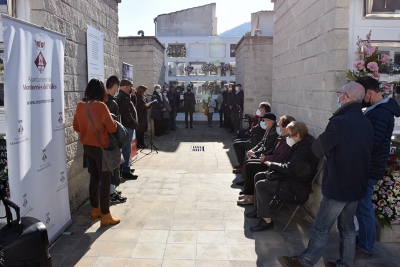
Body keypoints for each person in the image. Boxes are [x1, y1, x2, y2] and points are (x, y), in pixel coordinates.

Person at [281, 82, 374, 267]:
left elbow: (317, 148)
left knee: (321, 227)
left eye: (340, 94)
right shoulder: (366, 120)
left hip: (339, 186)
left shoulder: (340, 121)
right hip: (357, 185)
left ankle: (305, 261)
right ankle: (345, 264)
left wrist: (331, 150)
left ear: (346, 97)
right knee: (347, 229)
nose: (338, 97)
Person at [355, 76, 400, 259]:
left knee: (364, 207)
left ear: (369, 92)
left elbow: (371, 143)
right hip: (369, 167)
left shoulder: (381, 113)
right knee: (362, 207)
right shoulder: (377, 109)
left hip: (369, 168)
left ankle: (366, 247)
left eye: (361, 94)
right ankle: (365, 240)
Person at [248, 121, 318, 230]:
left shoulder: (304, 149)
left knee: (261, 185)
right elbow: (289, 165)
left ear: (298, 135)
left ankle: (267, 221)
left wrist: (272, 164)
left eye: (289, 135)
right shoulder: (300, 144)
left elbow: (290, 169)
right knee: (259, 176)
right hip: (291, 178)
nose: (287, 137)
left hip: (296, 186)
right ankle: (259, 211)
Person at [73, 78, 120, 227]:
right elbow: (112, 128)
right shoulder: (101, 106)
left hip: (87, 147)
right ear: (101, 91)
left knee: (94, 178)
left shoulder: (80, 105)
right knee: (105, 181)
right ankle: (106, 215)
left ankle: (95, 209)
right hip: (101, 148)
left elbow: (76, 127)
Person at [237, 115, 294, 206]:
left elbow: (280, 158)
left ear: (285, 128)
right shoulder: (281, 137)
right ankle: (249, 194)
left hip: (274, 165)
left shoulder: (287, 141)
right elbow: (269, 148)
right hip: (269, 159)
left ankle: (251, 197)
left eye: (280, 125)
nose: (278, 126)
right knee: (249, 162)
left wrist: (265, 158)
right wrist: (262, 155)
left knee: (250, 166)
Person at [104, 75, 127, 203]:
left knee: (110, 168)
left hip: (107, 141)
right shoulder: (111, 102)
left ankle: (112, 191)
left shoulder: (105, 100)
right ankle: (112, 193)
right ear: (114, 86)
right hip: (111, 141)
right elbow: (114, 125)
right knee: (112, 168)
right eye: (118, 86)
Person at [232, 105, 273, 174]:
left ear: (263, 109)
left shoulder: (266, 118)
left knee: (237, 144)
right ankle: (242, 163)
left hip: (255, 141)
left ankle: (242, 166)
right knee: (237, 141)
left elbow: (256, 129)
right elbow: (253, 128)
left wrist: (253, 132)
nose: (258, 109)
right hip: (253, 138)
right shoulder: (260, 117)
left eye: (259, 108)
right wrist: (252, 131)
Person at [117, 79, 138, 180]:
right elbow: (126, 113)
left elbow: (133, 106)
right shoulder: (122, 97)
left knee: (127, 149)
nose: (131, 89)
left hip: (129, 126)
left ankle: (126, 167)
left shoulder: (126, 96)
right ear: (126, 86)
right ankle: (125, 170)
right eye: (130, 87)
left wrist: (133, 96)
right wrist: (133, 123)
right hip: (127, 126)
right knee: (126, 149)